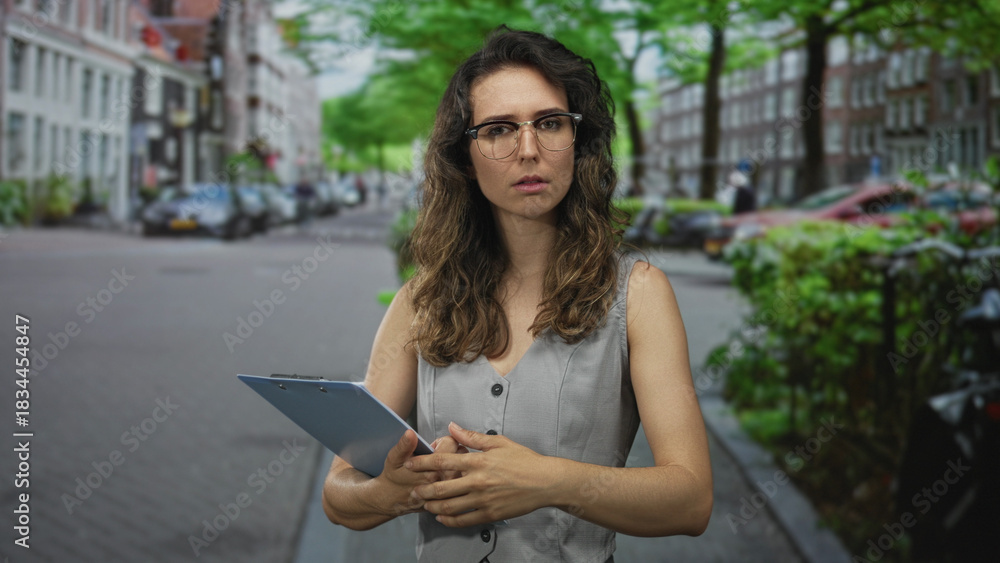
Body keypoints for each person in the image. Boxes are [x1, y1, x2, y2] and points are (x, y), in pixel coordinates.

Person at [322, 27, 713, 562]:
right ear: (465, 155)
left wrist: (547, 481)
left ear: (579, 141)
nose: (528, 150)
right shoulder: (421, 300)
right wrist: (391, 493)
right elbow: (338, 496)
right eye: (500, 129)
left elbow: (691, 500)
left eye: (550, 123)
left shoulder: (637, 294)